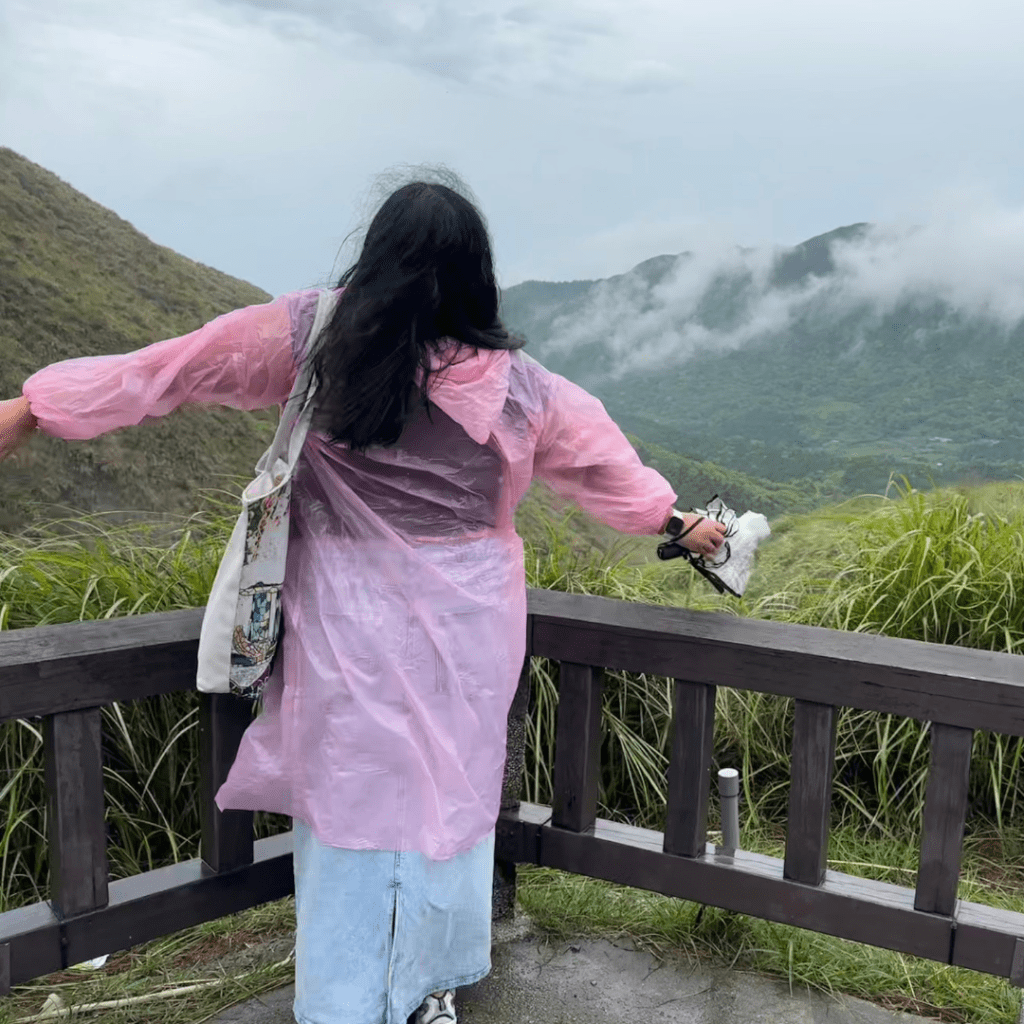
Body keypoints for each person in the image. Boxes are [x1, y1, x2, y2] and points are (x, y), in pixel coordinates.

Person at [0, 175, 726, 1024]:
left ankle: (347, 1000)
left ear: (377, 257)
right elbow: (605, 467)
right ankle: (429, 984)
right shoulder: (521, 386)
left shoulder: (312, 339)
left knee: (350, 802)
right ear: (475, 277)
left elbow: (174, 370)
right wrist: (676, 520)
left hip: (343, 618)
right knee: (447, 796)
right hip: (469, 617)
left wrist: (32, 408)